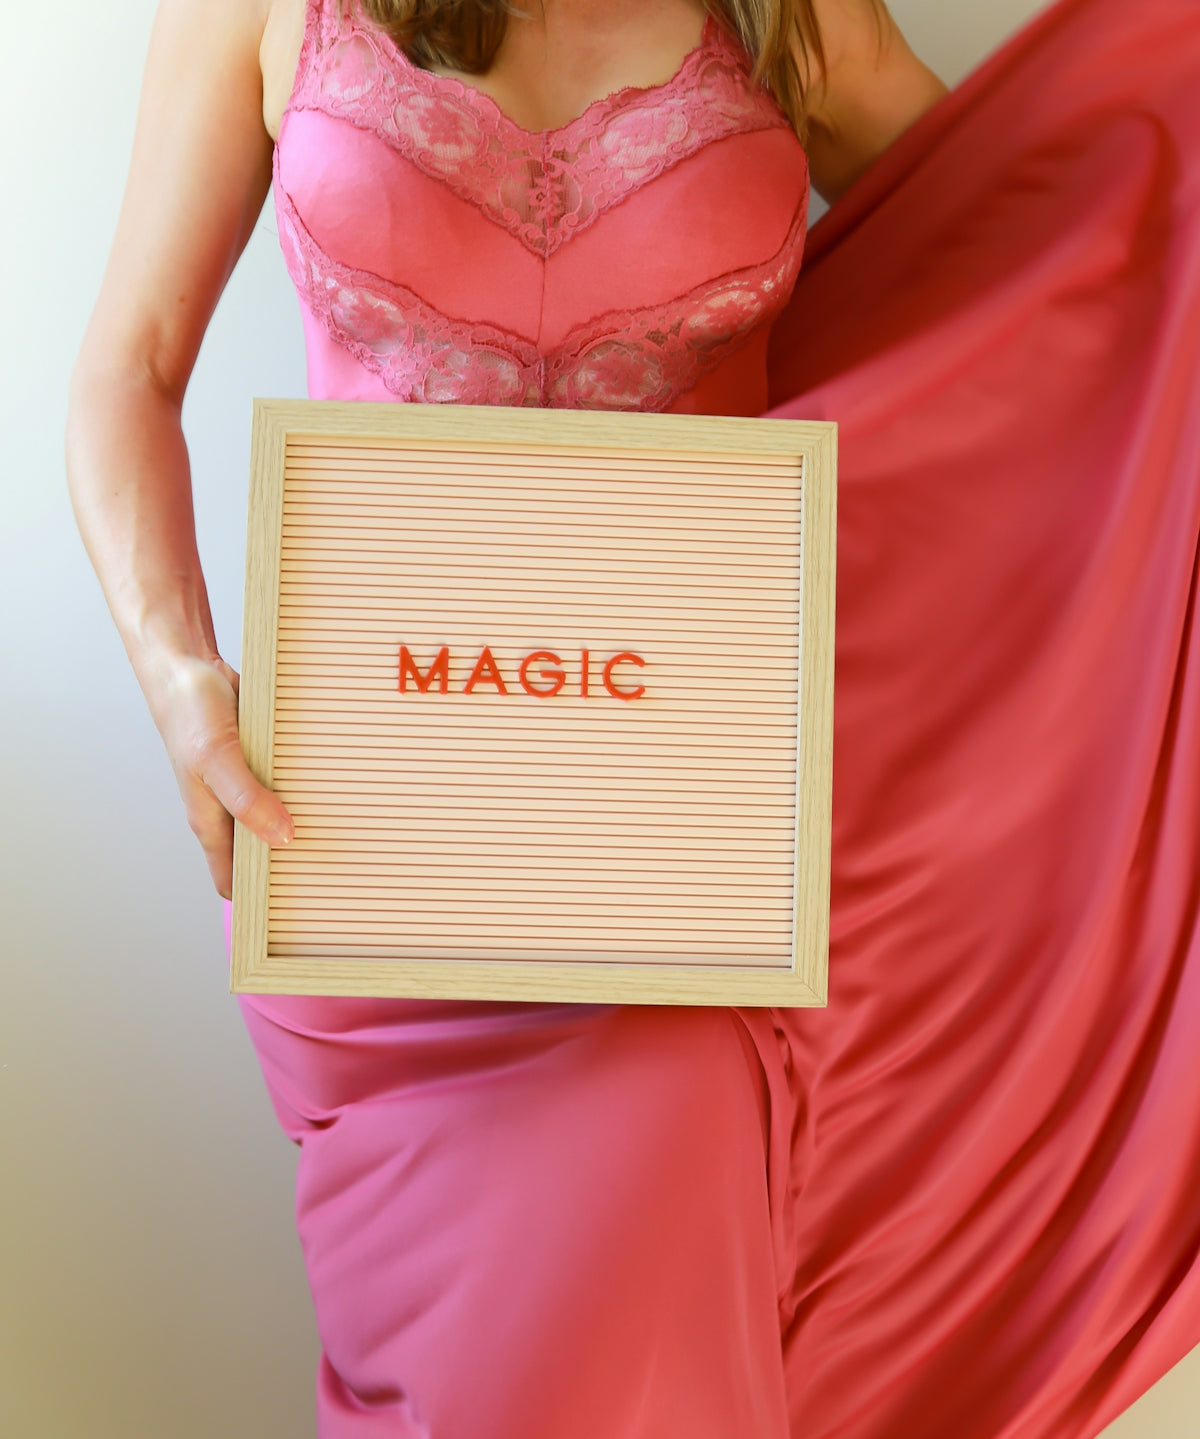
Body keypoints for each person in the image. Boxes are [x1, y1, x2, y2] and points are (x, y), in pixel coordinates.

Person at [66, 0, 1200, 1435]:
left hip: (686, 878)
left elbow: (1054, 259)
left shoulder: (787, 13)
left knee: (652, 1204)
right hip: (370, 856)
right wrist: (181, 682)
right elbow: (127, 371)